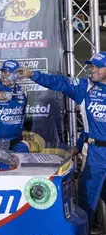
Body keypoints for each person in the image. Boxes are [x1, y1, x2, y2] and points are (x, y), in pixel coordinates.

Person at [19, 51, 106, 224]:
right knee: (86, 198)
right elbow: (59, 83)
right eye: (91, 66)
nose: (92, 70)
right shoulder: (85, 87)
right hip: (96, 153)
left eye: (97, 67)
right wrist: (33, 74)